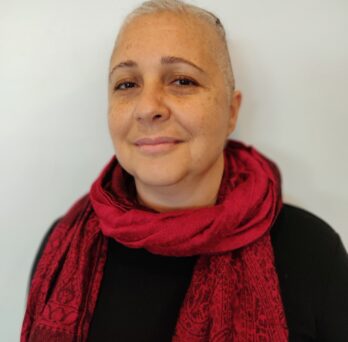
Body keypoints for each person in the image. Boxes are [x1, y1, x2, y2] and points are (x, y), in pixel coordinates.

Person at [21, 0, 348, 341]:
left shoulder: (312, 255)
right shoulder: (62, 247)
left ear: (232, 112)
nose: (148, 108)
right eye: (127, 84)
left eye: (182, 80)